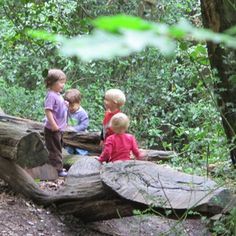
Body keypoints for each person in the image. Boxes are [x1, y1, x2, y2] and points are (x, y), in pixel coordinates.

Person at [44, 69, 68, 177]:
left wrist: (65, 104)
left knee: (58, 147)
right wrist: (53, 124)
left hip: (59, 128)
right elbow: (48, 111)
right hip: (53, 129)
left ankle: (56, 167)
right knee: (55, 150)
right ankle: (57, 170)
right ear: (51, 82)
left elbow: (58, 107)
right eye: (61, 82)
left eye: (64, 82)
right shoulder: (51, 95)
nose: (63, 85)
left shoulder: (57, 94)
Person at [64, 88, 89, 155]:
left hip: (80, 135)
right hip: (69, 135)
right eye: (68, 106)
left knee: (80, 150)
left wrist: (74, 129)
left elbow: (84, 125)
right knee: (68, 149)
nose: (70, 108)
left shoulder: (82, 113)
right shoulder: (66, 110)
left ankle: (81, 159)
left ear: (79, 103)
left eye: (72, 106)